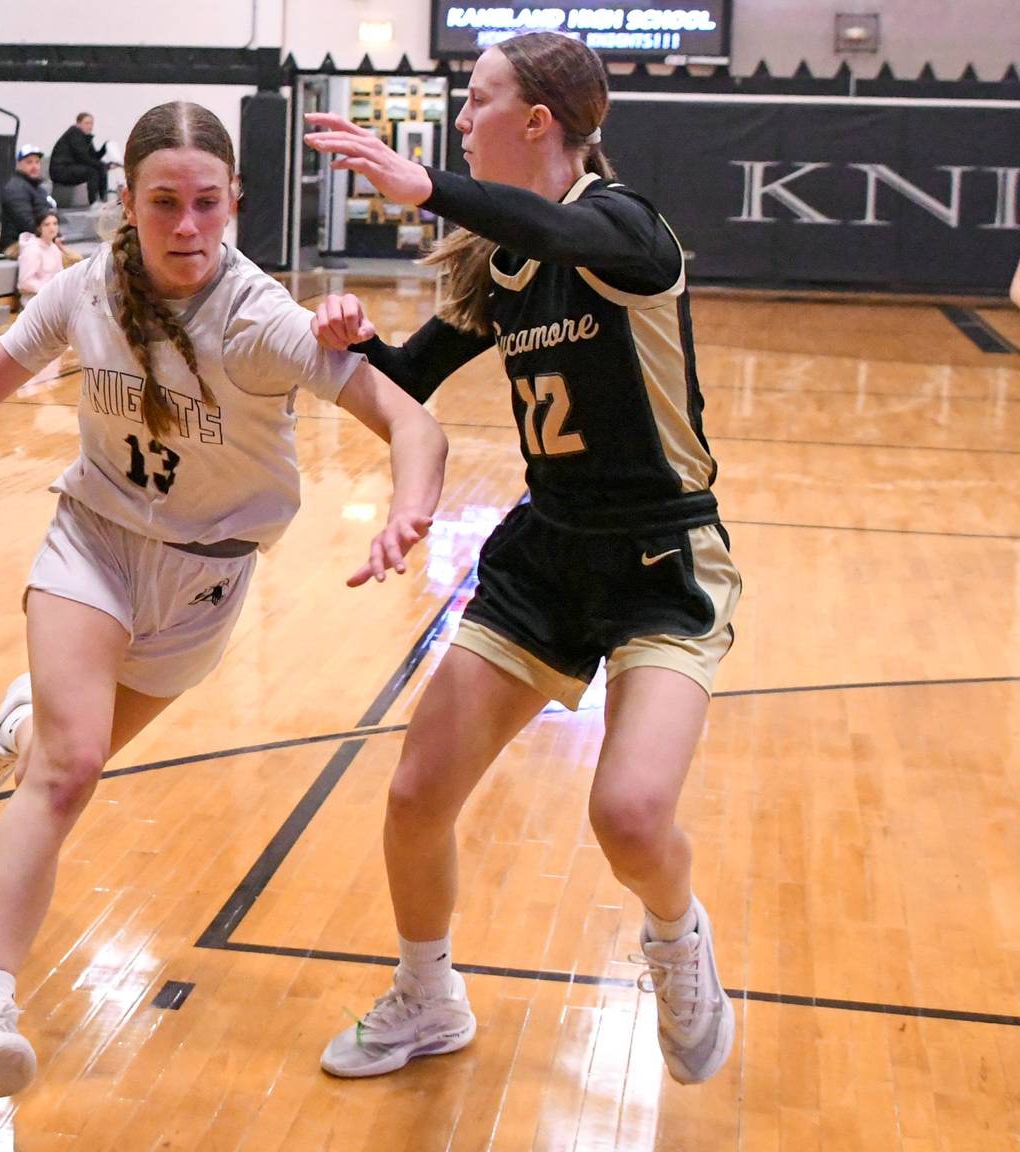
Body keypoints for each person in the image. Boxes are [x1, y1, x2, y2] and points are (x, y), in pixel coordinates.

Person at [0, 99, 448, 1120]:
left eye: (205, 203)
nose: (186, 226)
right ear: (128, 203)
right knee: (70, 773)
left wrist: (410, 509)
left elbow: (411, 424)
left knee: (58, 748)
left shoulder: (262, 319)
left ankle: (25, 717)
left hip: (204, 584)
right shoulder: (82, 291)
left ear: (234, 201)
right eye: (163, 204)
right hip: (95, 545)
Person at [302, 31, 742, 1085]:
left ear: (538, 121)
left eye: (478, 99)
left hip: (660, 556)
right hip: (546, 555)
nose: (460, 118)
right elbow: (407, 384)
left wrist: (429, 189)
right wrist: (352, 345)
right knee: (416, 799)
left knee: (629, 817)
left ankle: (678, 939)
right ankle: (426, 995)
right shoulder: (494, 260)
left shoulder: (629, 228)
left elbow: (556, 224)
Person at [0, 144, 55, 253]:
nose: (34, 166)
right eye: (29, 162)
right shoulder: (15, 189)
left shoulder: (38, 188)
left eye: (37, 162)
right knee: (70, 261)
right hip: (18, 243)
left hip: (38, 239)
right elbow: (27, 223)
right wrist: (50, 238)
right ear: (19, 164)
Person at [48, 113, 111, 205]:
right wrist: (103, 165)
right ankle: (94, 202)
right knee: (93, 172)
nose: (90, 126)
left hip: (70, 167)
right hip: (60, 170)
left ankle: (103, 200)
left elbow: (93, 157)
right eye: (86, 123)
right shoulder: (74, 134)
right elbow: (83, 157)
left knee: (100, 168)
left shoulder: (85, 137)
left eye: (91, 123)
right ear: (78, 124)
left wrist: (105, 148)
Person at [15, 211, 73, 307]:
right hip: (34, 301)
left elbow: (60, 275)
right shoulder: (32, 249)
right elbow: (25, 282)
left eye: (55, 224)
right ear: (39, 228)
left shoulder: (54, 248)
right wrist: (48, 290)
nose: (52, 228)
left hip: (53, 298)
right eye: (47, 225)